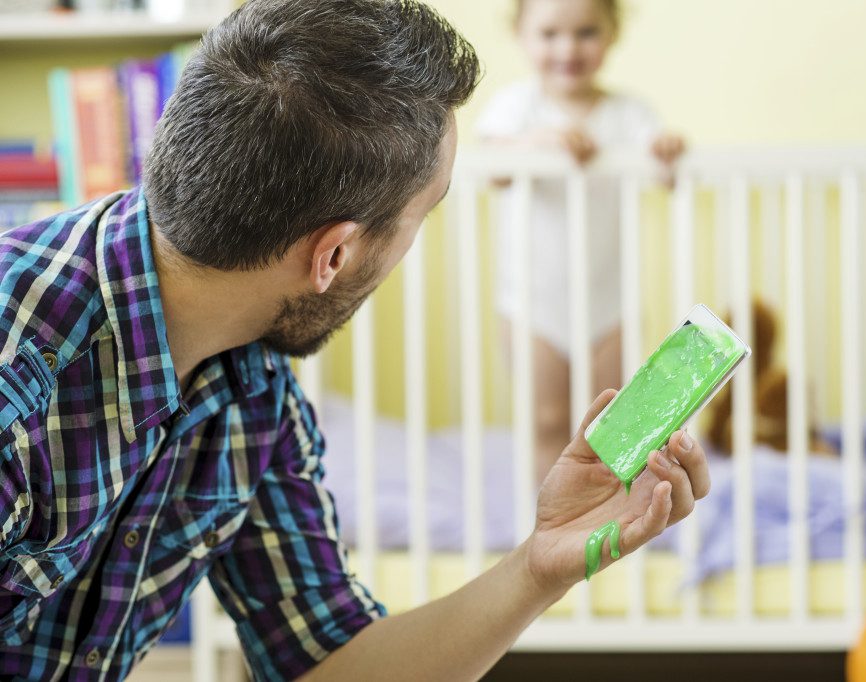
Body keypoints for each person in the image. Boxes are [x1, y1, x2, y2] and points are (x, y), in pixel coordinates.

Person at [0, 1, 709, 680]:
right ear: (332, 256)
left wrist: (537, 565)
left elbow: (329, 664)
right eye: (421, 216)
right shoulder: (17, 366)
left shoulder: (251, 386)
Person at [476, 0, 686, 485]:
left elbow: (666, 172)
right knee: (546, 421)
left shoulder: (630, 113)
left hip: (610, 305)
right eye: (549, 34)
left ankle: (607, 519)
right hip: (532, 304)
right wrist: (537, 144)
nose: (567, 48)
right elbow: (492, 168)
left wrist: (666, 150)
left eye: (587, 32)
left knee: (611, 424)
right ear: (520, 34)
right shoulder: (516, 108)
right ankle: (548, 523)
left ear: (613, 33)